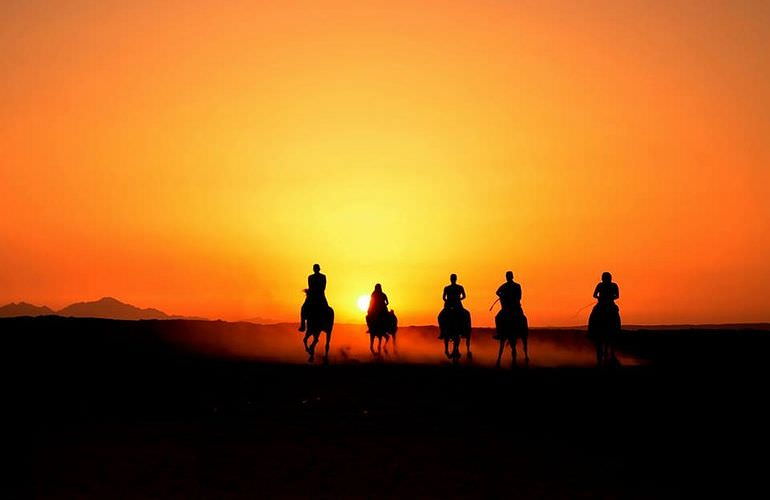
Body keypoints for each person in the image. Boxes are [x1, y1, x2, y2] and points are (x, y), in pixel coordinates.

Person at [493, 271, 523, 340]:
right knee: (497, 317)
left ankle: (522, 331)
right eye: (507, 276)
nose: (508, 278)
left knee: (522, 318)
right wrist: (502, 296)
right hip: (507, 308)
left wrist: (511, 298)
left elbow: (519, 296)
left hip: (515, 306)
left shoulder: (517, 286)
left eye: (508, 276)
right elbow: (497, 292)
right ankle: (499, 333)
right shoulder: (504, 286)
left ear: (511, 277)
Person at [299, 263, 328, 332]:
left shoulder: (323, 276)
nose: (315, 269)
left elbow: (323, 287)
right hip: (312, 295)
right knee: (303, 308)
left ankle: (326, 324)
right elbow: (310, 286)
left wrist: (315, 292)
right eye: (314, 268)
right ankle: (303, 326)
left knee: (326, 308)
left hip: (320, 295)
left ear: (318, 269)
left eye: (316, 268)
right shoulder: (310, 277)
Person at [438, 274, 466, 339]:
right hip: (448, 305)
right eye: (452, 278)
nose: (452, 280)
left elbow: (464, 296)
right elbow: (443, 297)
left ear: (455, 279)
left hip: (458, 305)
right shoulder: (447, 288)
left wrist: (458, 299)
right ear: (450, 279)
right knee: (440, 316)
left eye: (453, 278)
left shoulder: (460, 287)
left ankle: (464, 331)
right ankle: (442, 331)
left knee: (465, 315)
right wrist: (447, 301)